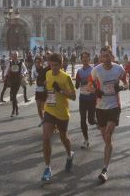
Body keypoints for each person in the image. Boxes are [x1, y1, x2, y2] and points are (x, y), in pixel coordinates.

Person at [91, 46, 128, 183]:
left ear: (112, 56)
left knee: (108, 134)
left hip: (114, 106)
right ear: (101, 57)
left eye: (108, 56)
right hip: (100, 107)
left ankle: (105, 169)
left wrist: (122, 87)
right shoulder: (96, 70)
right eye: (104, 56)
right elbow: (90, 84)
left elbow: (126, 83)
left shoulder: (119, 69)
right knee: (106, 139)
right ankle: (109, 148)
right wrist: (96, 91)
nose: (106, 58)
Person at [41, 53, 76, 181]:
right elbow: (48, 88)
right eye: (51, 65)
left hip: (62, 113)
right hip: (49, 110)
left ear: (61, 65)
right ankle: (47, 168)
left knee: (63, 138)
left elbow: (73, 96)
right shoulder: (48, 74)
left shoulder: (66, 78)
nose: (54, 68)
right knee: (45, 138)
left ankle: (69, 154)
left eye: (56, 65)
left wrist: (60, 90)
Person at [75, 52, 96, 149]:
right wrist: (78, 82)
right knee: (82, 120)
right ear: (81, 59)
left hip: (91, 98)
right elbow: (77, 85)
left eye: (86, 58)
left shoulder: (93, 70)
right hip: (82, 98)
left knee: (91, 121)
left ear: (89, 59)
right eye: (83, 58)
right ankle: (86, 140)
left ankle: (98, 123)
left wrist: (90, 84)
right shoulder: (79, 71)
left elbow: (96, 84)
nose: (84, 59)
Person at [6, 51, 28, 117]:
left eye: (16, 55)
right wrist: (5, 76)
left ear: (17, 56)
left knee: (14, 95)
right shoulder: (10, 63)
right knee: (13, 96)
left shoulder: (21, 63)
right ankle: (16, 109)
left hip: (18, 80)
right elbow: (6, 70)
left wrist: (23, 74)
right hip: (12, 80)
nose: (14, 57)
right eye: (13, 55)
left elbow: (25, 70)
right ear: (12, 56)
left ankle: (14, 111)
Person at [33, 55, 48, 127]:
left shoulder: (45, 70)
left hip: (44, 91)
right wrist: (30, 80)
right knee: (39, 108)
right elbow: (33, 80)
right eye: (36, 62)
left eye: (38, 62)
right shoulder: (34, 71)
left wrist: (45, 82)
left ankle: (48, 121)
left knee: (43, 107)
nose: (37, 64)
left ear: (42, 62)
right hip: (37, 91)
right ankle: (43, 120)